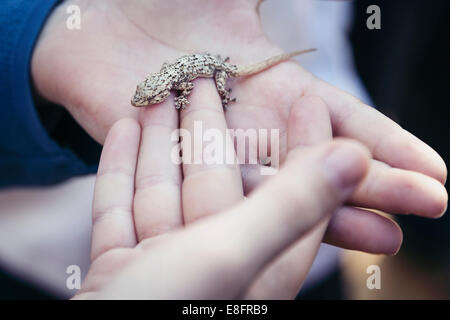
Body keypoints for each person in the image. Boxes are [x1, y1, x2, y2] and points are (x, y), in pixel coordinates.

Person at [0, 0, 447, 298]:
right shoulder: (157, 89)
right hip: (33, 253)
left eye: (145, 99)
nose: (142, 104)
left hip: (303, 258)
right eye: (144, 99)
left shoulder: (172, 85)